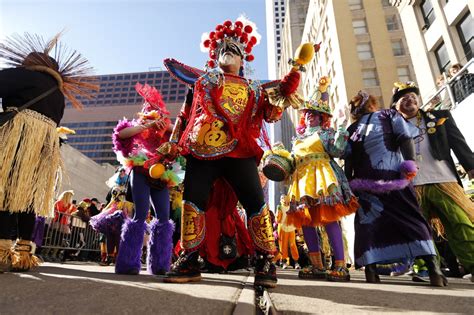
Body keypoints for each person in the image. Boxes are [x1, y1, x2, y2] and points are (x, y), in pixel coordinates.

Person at [162, 17, 303, 288]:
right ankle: (189, 258)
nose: (228, 50)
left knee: (255, 204)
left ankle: (265, 260)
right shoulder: (201, 82)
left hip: (240, 152)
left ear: (243, 59)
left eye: (234, 49)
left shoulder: (254, 88)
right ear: (214, 58)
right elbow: (186, 115)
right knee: (193, 202)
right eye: (222, 49)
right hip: (202, 149)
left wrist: (287, 87)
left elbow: (272, 114)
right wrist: (173, 142)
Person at [0, 32, 97, 272]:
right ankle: (23, 253)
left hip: (19, 136)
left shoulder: (24, 77)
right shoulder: (57, 94)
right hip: (44, 144)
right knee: (27, 198)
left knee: (5, 190)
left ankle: (1, 250)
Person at [345, 90, 447, 287]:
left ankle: (372, 272)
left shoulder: (362, 124)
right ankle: (434, 271)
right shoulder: (385, 116)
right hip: (388, 179)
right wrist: (409, 164)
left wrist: (348, 182)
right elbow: (404, 138)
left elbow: (349, 161)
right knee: (410, 219)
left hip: (372, 182)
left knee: (369, 225)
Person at [392, 81, 474, 282]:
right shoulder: (391, 128)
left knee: (460, 223)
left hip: (444, 180)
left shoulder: (440, 117)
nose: (409, 99)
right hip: (411, 185)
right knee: (417, 229)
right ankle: (426, 269)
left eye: (412, 96)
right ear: (395, 106)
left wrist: (471, 167)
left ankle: (473, 263)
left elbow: (458, 142)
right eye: (404, 98)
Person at [282, 77, 359, 281]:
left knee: (329, 218)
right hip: (301, 181)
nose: (310, 117)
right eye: (308, 114)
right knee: (306, 221)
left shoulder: (327, 133)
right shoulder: (296, 139)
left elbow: (339, 150)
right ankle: (317, 265)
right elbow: (291, 162)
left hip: (323, 178)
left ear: (322, 118)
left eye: (315, 114)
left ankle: (340, 265)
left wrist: (342, 128)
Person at [111, 83, 181, 275]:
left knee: (164, 218)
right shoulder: (137, 125)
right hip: (141, 170)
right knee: (140, 214)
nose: (152, 112)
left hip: (161, 174)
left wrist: (168, 127)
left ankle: (159, 265)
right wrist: (147, 125)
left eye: (156, 110)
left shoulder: (167, 128)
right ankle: (127, 264)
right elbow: (121, 134)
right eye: (149, 109)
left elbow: (180, 139)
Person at [276, 195, 300, 270]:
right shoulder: (279, 207)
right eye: (282, 198)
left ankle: (296, 262)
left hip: (291, 228)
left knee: (293, 245)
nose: (284, 200)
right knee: (283, 245)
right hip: (282, 228)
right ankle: (284, 261)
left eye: (285, 198)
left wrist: (298, 229)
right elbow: (277, 220)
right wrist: (278, 211)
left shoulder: (292, 206)